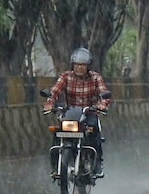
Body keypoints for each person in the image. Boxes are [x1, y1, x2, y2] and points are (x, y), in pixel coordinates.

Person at [43, 47, 111, 177]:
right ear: (72, 65)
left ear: (88, 66)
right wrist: (49, 103)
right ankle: (55, 165)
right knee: (57, 133)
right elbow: (55, 91)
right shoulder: (66, 76)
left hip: (89, 112)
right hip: (70, 113)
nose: (79, 67)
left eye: (83, 65)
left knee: (95, 132)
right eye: (77, 65)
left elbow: (103, 93)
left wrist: (102, 105)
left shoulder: (95, 77)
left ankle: (97, 164)